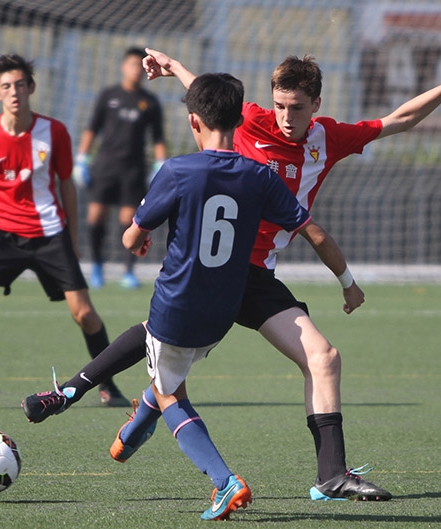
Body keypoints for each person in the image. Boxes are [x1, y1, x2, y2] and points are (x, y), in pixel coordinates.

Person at [23, 49, 441, 502]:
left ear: (316, 104)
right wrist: (175, 67)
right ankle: (108, 402)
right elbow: (209, 107)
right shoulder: (250, 120)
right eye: (279, 105)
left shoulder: (328, 138)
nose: (285, 117)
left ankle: (330, 476)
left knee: (324, 356)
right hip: (211, 270)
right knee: (165, 355)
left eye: (296, 107)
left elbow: (399, 119)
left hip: (256, 278)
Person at [27, 72, 311, 520]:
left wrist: (138, 238)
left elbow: (130, 237)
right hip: (224, 311)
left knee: (170, 392)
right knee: (160, 358)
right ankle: (89, 405)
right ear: (239, 118)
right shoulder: (259, 175)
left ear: (193, 121)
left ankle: (224, 481)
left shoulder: (178, 169)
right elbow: (299, 223)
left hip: (177, 303)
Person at [0, 54, 128, 409]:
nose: (14, 92)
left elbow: (67, 185)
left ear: (31, 87)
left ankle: (107, 384)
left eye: (20, 84)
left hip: (50, 233)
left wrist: (73, 239)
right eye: (6, 86)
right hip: (0, 233)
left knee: (84, 313)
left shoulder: (55, 132)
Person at [73, 47, 168, 289]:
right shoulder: (108, 96)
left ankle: (128, 271)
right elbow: (92, 129)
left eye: (140, 66)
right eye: (132, 65)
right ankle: (96, 267)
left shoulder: (149, 102)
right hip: (105, 166)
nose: (136, 70)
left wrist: (161, 164)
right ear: (123, 67)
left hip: (133, 170)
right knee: (96, 216)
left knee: (130, 220)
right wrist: (81, 158)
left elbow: (158, 138)